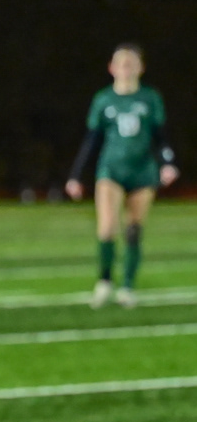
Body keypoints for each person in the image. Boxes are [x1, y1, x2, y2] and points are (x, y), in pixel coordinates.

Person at [65, 43, 179, 309]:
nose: (126, 69)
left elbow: (161, 137)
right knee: (106, 228)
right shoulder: (104, 100)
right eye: (121, 64)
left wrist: (168, 163)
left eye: (131, 64)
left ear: (141, 68)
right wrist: (75, 175)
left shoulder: (150, 98)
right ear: (111, 68)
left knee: (133, 230)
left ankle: (127, 286)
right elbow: (91, 140)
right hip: (111, 170)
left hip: (142, 170)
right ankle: (104, 281)